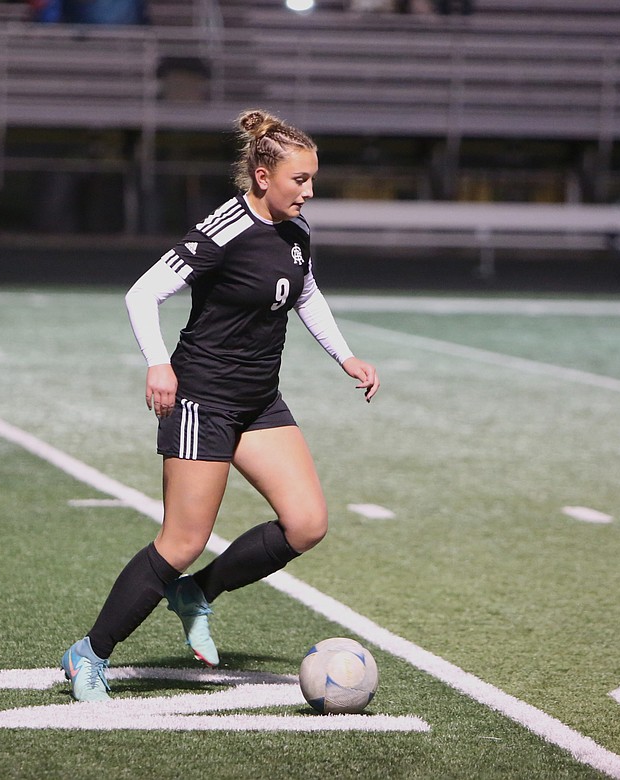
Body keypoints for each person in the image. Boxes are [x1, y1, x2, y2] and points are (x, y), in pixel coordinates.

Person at [60, 109, 380, 702]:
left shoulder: (297, 231)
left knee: (307, 523)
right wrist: (159, 362)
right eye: (299, 181)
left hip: (259, 401)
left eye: (312, 181)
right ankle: (89, 654)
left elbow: (304, 293)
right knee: (180, 541)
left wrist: (346, 356)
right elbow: (143, 292)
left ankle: (198, 593)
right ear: (262, 175)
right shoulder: (223, 229)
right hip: (203, 399)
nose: (309, 192)